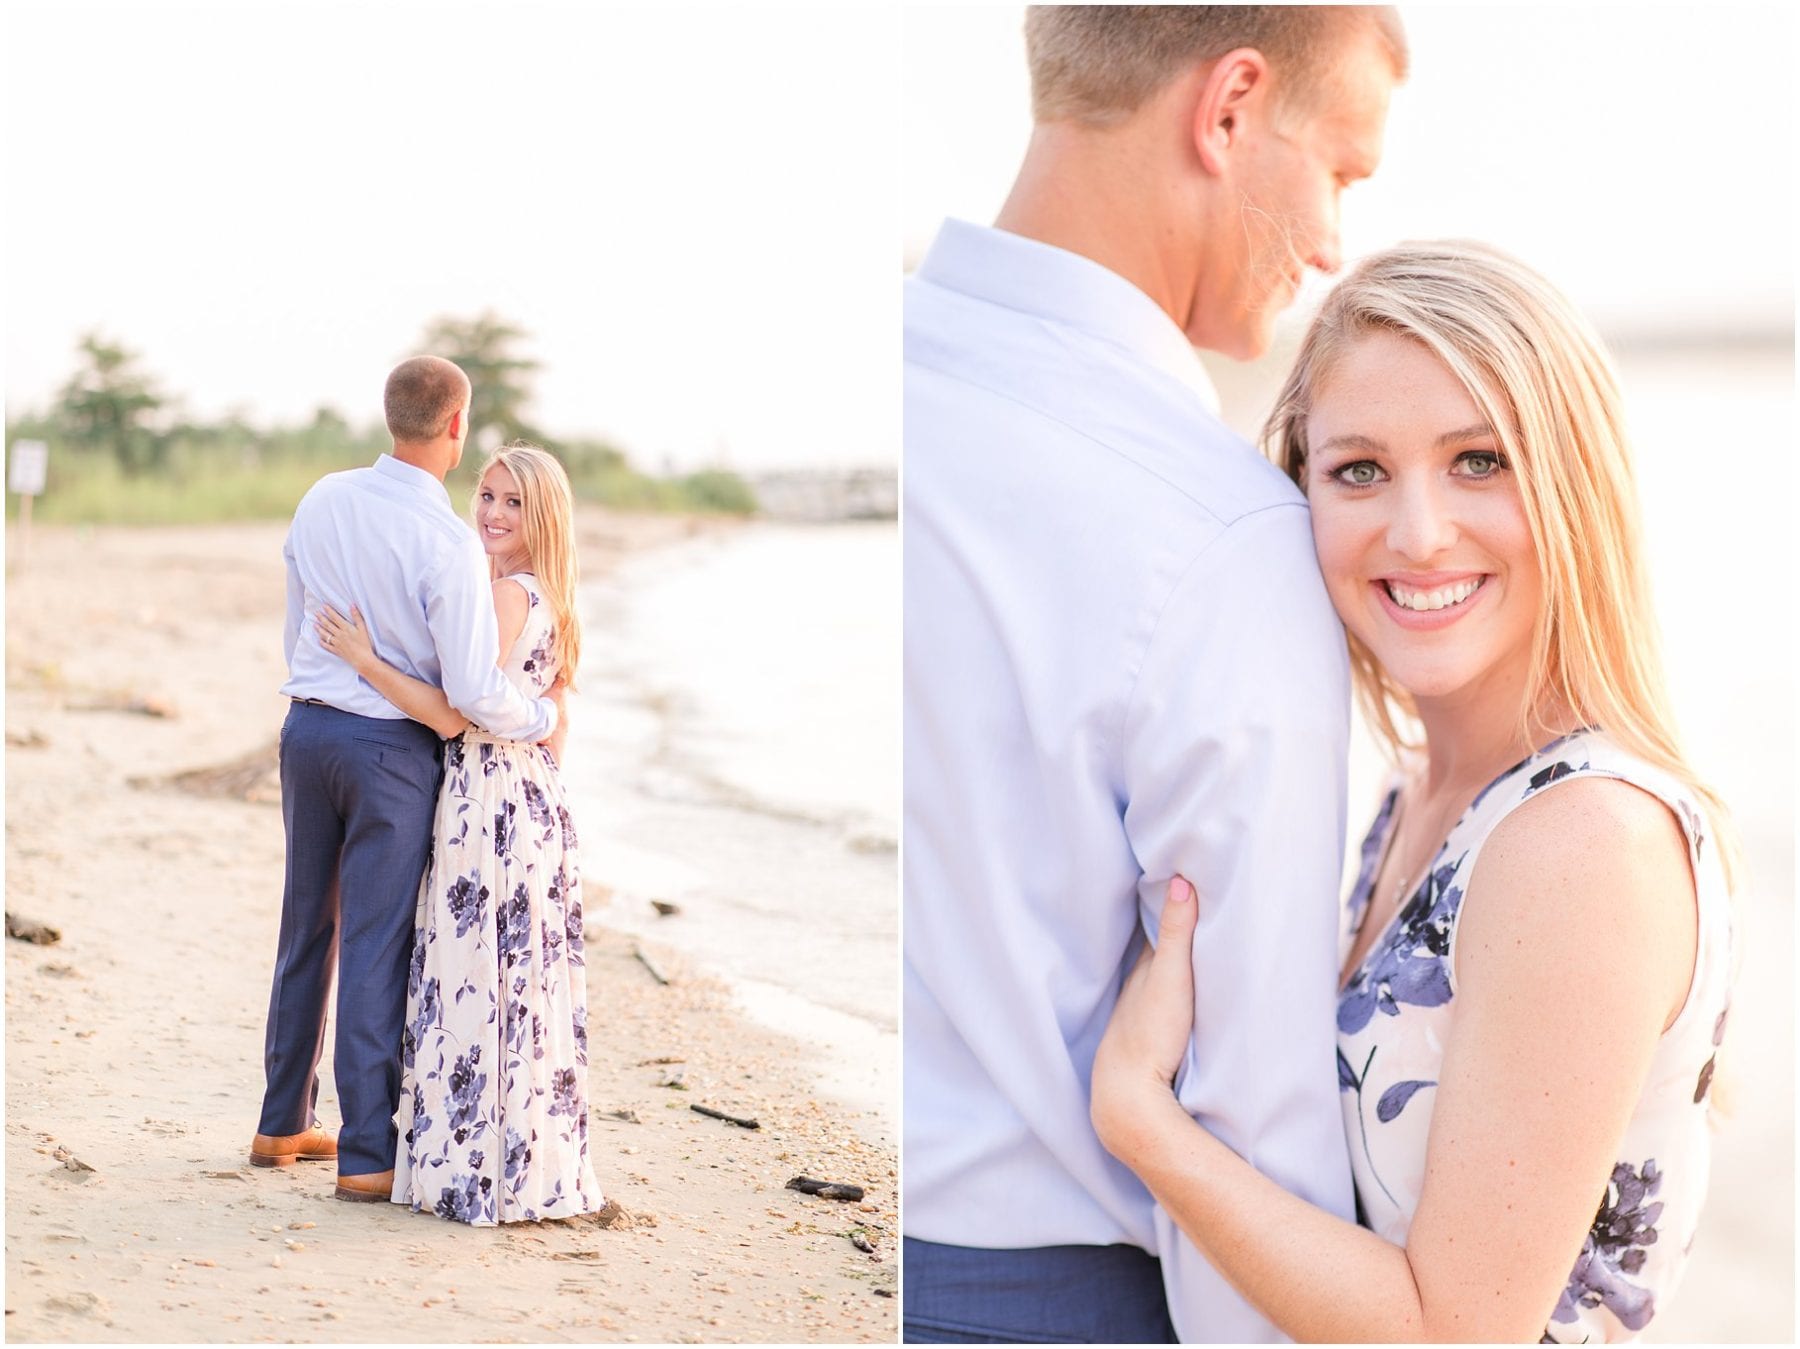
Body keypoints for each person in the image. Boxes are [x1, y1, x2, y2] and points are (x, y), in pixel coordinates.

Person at [1092, 240, 1736, 1343]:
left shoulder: (1583, 839)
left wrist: (1142, 1118)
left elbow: (1451, 1331)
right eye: (1359, 470)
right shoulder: (1423, 793)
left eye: (1479, 459)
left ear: (1576, 482)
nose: (1419, 531)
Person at [904, 6, 1407, 1342]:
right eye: (1344, 170)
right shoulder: (1224, 537)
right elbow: (1253, 1113)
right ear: (1231, 106)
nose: (1335, 241)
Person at [251, 357, 559, 1203]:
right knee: (379, 946)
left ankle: (280, 1121)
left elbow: (293, 620)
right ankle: (363, 1157)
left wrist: (330, 680)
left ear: (391, 415)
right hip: (390, 751)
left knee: (305, 926)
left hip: (308, 729)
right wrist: (540, 717)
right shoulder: (447, 541)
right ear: (456, 426)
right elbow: (470, 693)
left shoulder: (323, 497)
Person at [315, 442, 602, 1225]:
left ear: (542, 517)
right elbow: (560, 717)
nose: (493, 514)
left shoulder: (506, 595)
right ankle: (522, 1167)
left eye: (513, 503)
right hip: (536, 803)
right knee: (522, 984)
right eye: (486, 495)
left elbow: (454, 709)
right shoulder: (556, 597)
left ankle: (472, 1170)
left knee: (472, 974)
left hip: (490, 801)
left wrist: (365, 658)